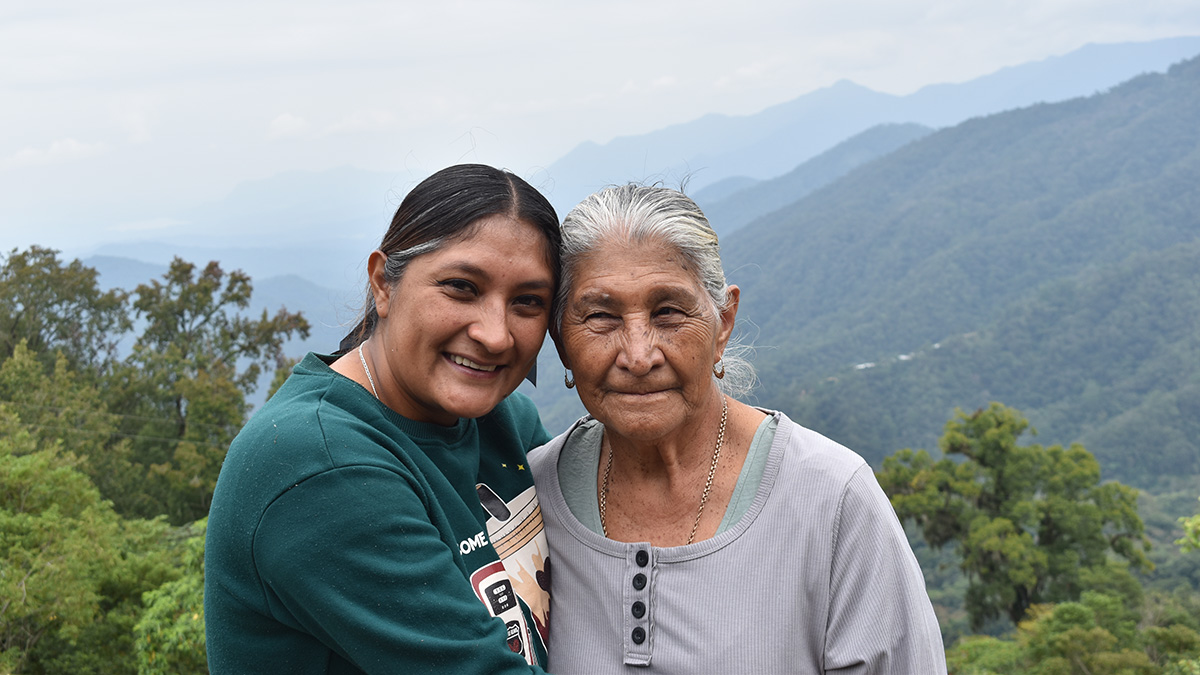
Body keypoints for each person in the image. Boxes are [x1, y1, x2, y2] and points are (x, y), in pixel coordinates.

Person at [529, 184, 947, 674]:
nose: (639, 356)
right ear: (560, 340)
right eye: (600, 316)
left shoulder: (831, 499)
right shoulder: (531, 500)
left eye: (668, 312)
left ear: (723, 322)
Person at [205, 164, 559, 674]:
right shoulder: (320, 465)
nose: (496, 335)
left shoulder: (505, 423)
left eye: (528, 301)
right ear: (383, 283)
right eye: (461, 287)